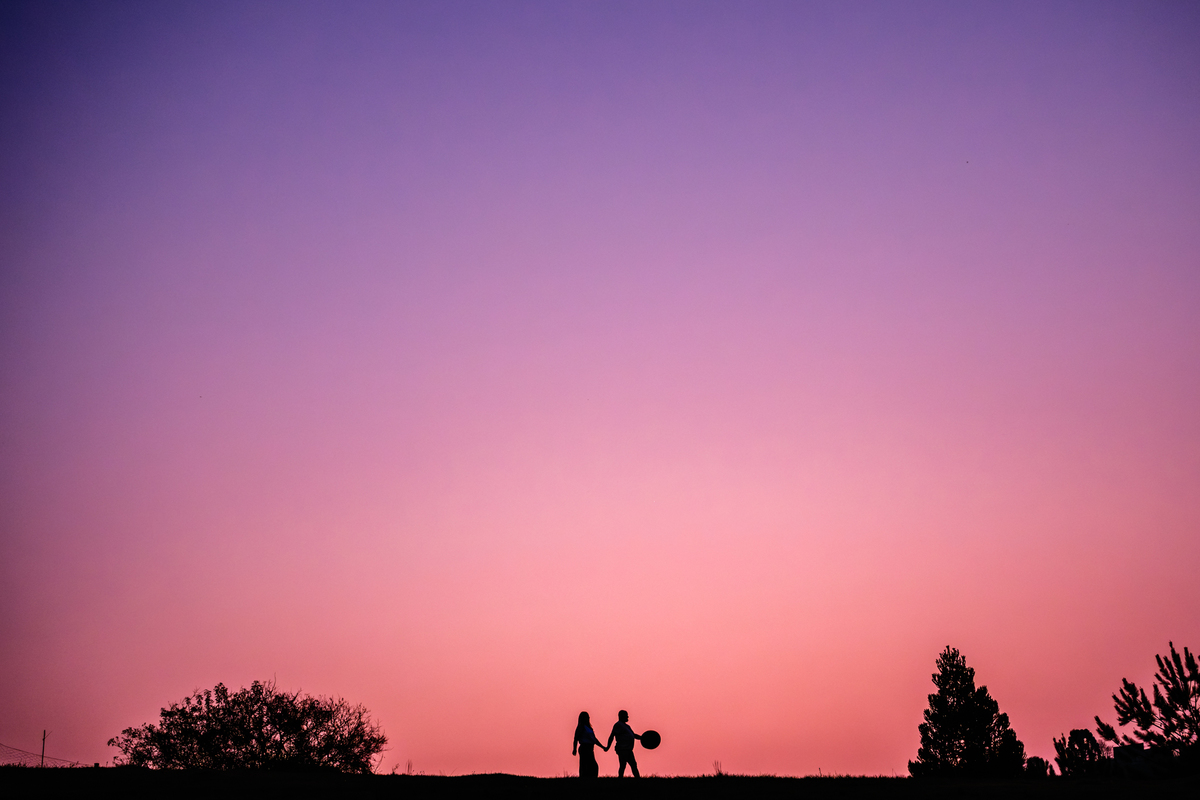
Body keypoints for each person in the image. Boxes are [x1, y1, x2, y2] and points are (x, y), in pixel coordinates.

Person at [606, 710, 642, 777]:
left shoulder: (627, 726)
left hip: (628, 749)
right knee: (623, 764)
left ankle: (637, 778)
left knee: (632, 764)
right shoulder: (618, 725)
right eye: (626, 715)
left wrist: (642, 738)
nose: (628, 717)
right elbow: (612, 736)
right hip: (622, 748)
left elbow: (633, 735)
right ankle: (621, 779)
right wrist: (608, 747)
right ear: (621, 716)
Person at [572, 711, 607, 778]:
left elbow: (594, 739)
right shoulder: (581, 727)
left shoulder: (589, 728)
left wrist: (602, 747)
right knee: (586, 765)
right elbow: (576, 738)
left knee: (591, 766)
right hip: (584, 748)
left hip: (590, 748)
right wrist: (574, 749)